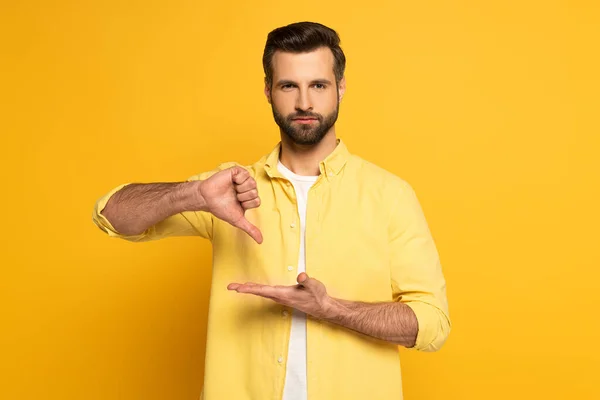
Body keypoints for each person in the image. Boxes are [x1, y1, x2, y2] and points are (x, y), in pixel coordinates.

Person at [92, 21, 451, 400]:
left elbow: (431, 323)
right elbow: (110, 214)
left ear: (341, 88)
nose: (304, 103)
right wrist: (191, 193)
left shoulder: (389, 195)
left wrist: (332, 309)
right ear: (268, 91)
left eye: (318, 85)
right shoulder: (227, 189)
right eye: (288, 86)